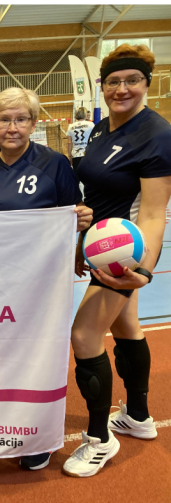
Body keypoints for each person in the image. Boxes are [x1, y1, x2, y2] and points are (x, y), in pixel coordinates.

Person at [0, 87, 93, 471]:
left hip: (40, 285)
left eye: (21, 119)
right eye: (4, 119)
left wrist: (81, 225)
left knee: (35, 358)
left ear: (34, 123)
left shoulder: (54, 164)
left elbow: (75, 212)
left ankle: (35, 436)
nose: (12, 127)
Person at [64, 44, 171, 478]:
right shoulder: (102, 129)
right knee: (126, 327)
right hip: (99, 247)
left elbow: (153, 213)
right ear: (102, 86)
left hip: (122, 255)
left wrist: (141, 269)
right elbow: (95, 195)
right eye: (113, 81)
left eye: (132, 81)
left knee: (84, 334)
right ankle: (138, 417)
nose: (122, 89)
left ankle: (99, 440)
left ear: (147, 84)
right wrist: (80, 244)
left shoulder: (157, 134)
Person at [66, 107, 94, 172]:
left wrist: (69, 156)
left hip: (76, 155)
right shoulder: (90, 124)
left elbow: (69, 142)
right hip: (87, 154)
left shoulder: (70, 126)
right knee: (88, 175)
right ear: (85, 114)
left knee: (77, 175)